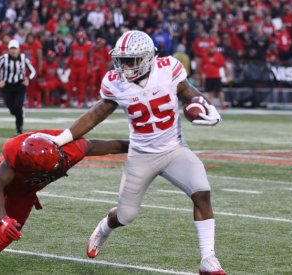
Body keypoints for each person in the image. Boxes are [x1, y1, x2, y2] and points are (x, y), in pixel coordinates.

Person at [52, 30, 226, 275]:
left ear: (147, 57)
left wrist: (206, 107)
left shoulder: (168, 69)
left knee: (202, 193)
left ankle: (208, 259)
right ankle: (105, 227)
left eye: (130, 60)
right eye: (121, 60)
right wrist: (61, 139)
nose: (124, 66)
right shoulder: (115, 82)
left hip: (174, 150)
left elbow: (190, 94)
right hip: (141, 155)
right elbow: (94, 115)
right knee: (126, 215)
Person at [0, 130, 129, 275]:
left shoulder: (72, 148)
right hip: (3, 184)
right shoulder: (15, 155)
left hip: (25, 193)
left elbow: (110, 146)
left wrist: (138, 144)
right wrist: (3, 219)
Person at [0, 39, 36, 135]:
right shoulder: (4, 58)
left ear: (19, 49)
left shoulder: (24, 58)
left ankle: (19, 130)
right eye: (11, 48)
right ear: (8, 49)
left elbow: (33, 71)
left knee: (18, 107)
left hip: (20, 85)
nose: (13, 50)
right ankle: (20, 116)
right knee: (12, 109)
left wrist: (28, 79)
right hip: (7, 86)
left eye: (15, 48)